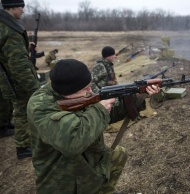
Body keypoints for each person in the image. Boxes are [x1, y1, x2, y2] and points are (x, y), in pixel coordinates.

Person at [27, 59, 159, 194]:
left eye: (89, 85)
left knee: (119, 154)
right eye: (86, 88)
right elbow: (73, 142)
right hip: (62, 178)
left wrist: (137, 96)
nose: (91, 90)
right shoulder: (40, 106)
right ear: (68, 92)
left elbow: (108, 115)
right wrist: (100, 109)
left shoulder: (81, 92)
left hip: (91, 159)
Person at [0, 0, 40, 159]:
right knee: (23, 111)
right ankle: (23, 146)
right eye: (21, 6)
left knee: (18, 108)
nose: (23, 10)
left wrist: (24, 46)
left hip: (7, 77)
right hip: (16, 80)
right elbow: (18, 65)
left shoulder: (4, 25)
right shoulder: (10, 31)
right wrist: (34, 88)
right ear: (13, 6)